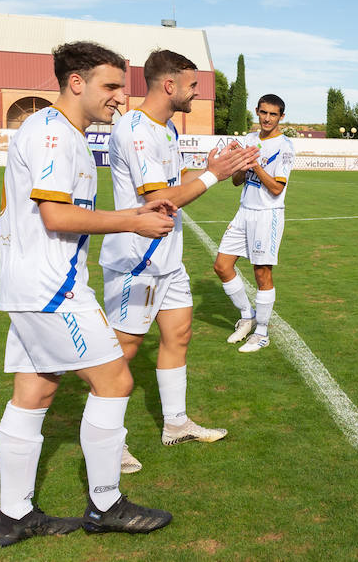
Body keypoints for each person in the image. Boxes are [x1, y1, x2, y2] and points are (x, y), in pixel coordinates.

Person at [0, 41, 176, 546]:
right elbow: (56, 216)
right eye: (111, 86)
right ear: (77, 83)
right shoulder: (54, 133)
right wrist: (132, 221)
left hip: (29, 285)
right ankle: (106, 504)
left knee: (36, 390)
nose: (121, 98)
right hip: (53, 289)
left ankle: (14, 516)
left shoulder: (50, 130)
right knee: (116, 380)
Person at [99, 50, 258, 473]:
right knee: (122, 353)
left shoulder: (165, 128)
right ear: (169, 85)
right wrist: (215, 175)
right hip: (137, 261)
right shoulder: (136, 130)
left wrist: (206, 170)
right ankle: (107, 443)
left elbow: (174, 185)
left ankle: (176, 423)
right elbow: (158, 200)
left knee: (179, 334)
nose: (196, 92)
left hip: (168, 259)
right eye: (192, 85)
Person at [215, 94, 297, 353]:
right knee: (222, 265)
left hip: (267, 214)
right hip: (244, 212)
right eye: (263, 112)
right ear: (257, 112)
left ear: (281, 117)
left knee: (262, 274)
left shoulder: (285, 147)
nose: (267, 118)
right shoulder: (249, 140)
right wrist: (240, 164)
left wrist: (255, 164)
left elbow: (276, 188)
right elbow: (237, 181)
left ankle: (262, 333)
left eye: (273, 114)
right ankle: (247, 315)